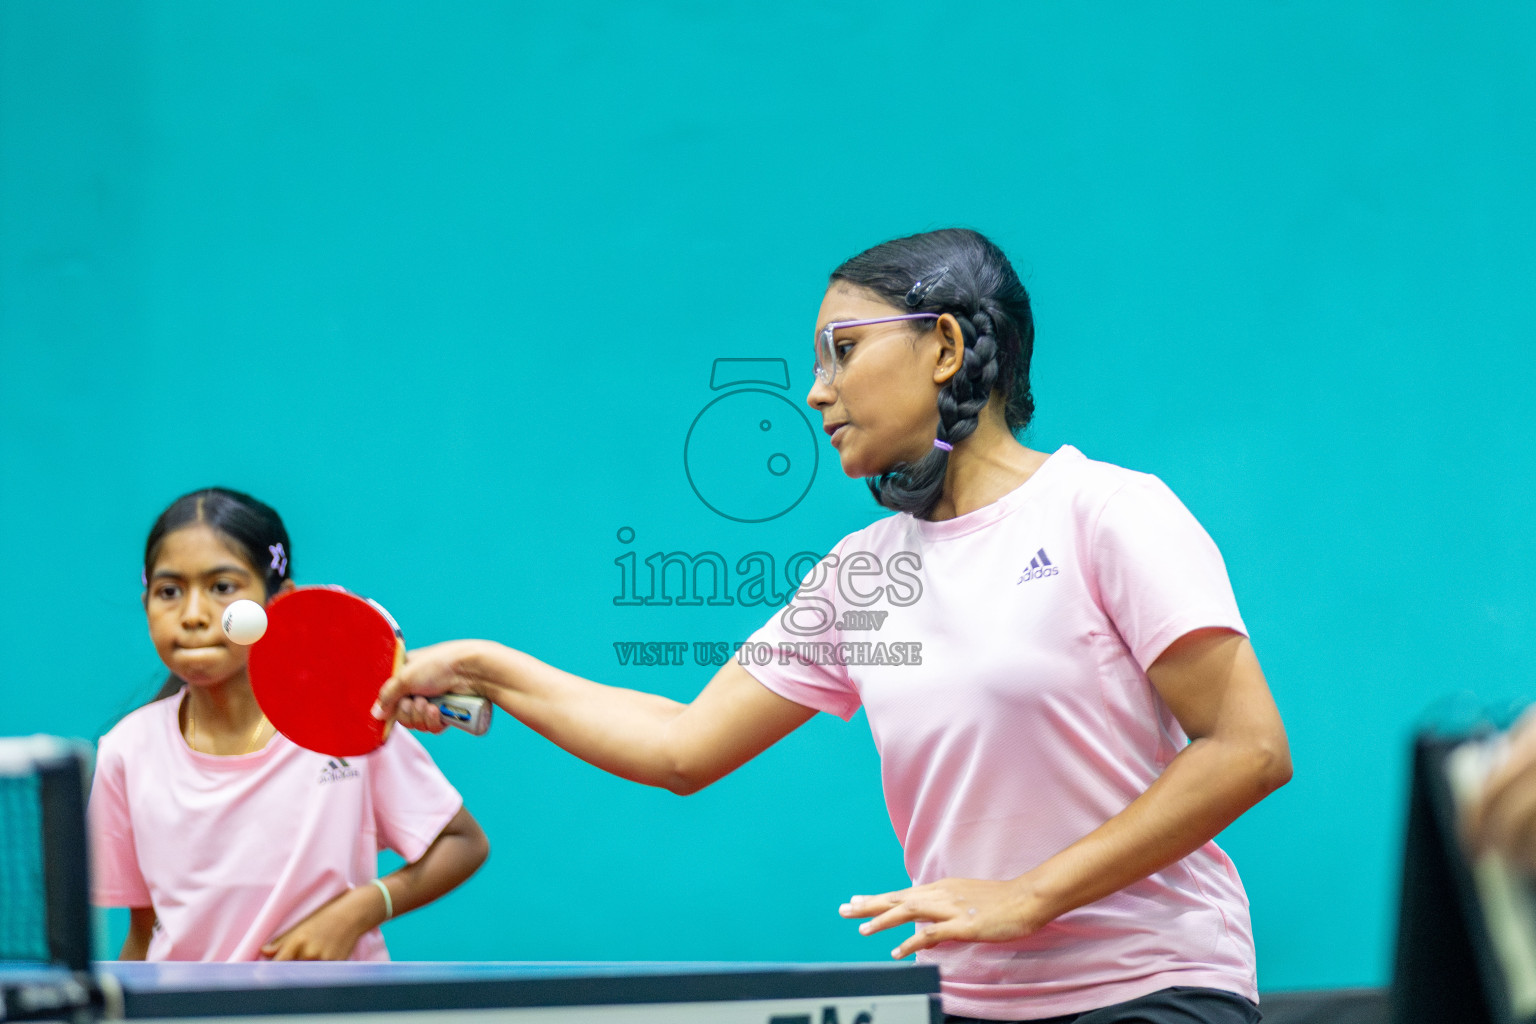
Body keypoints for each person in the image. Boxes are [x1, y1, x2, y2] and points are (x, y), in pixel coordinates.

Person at [374, 228, 1291, 1022]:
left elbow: (1247, 748)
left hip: (1155, 983)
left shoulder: (1108, 512)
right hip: (970, 997)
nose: (816, 393)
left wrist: (1030, 896)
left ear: (944, 346)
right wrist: (488, 670)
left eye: (842, 351)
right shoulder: (863, 573)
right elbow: (681, 747)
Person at [90, 487, 489, 962]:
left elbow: (462, 841)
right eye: (169, 591)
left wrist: (356, 911)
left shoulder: (349, 724)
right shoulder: (126, 751)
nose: (193, 615)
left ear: (279, 602)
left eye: (222, 587)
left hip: (332, 1001)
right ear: (147, 603)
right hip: (187, 1002)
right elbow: (143, 933)